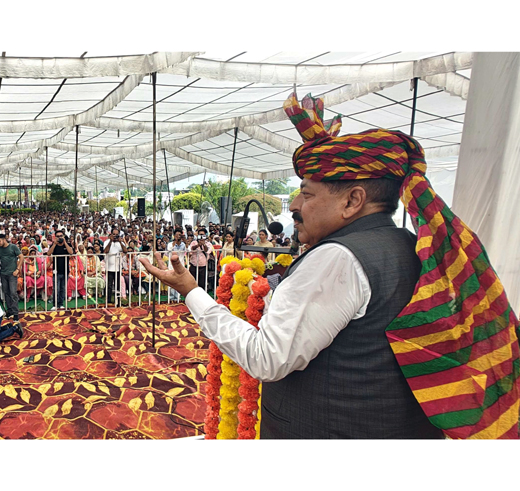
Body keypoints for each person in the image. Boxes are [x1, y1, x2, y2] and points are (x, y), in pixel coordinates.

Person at [140, 92, 520, 439]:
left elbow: (266, 358)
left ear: (352, 201)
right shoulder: (405, 243)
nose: (293, 206)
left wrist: (192, 293)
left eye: (307, 193)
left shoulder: (339, 258)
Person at [0, 234, 22, 324]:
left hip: (12, 273)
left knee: (13, 293)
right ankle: (9, 310)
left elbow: (21, 257)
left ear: (4, 239)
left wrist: (17, 269)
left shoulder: (13, 247)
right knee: (6, 293)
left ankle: (15, 313)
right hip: (3, 273)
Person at [49, 229, 73, 311]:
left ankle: (61, 304)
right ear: (55, 237)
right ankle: (55, 304)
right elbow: (48, 253)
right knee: (56, 288)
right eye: (58, 236)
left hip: (65, 270)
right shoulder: (53, 245)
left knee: (63, 288)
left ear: (64, 236)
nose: (60, 238)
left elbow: (71, 252)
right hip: (56, 270)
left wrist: (65, 243)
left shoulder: (68, 244)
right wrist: (54, 244)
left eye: (61, 236)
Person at [103, 228, 127, 307]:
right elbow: (106, 251)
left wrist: (120, 242)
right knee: (109, 285)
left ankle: (118, 301)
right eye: (114, 234)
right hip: (109, 267)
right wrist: (110, 241)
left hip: (117, 267)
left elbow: (125, 251)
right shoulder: (106, 242)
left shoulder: (120, 242)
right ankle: (109, 301)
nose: (115, 236)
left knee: (118, 285)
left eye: (117, 235)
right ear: (111, 234)